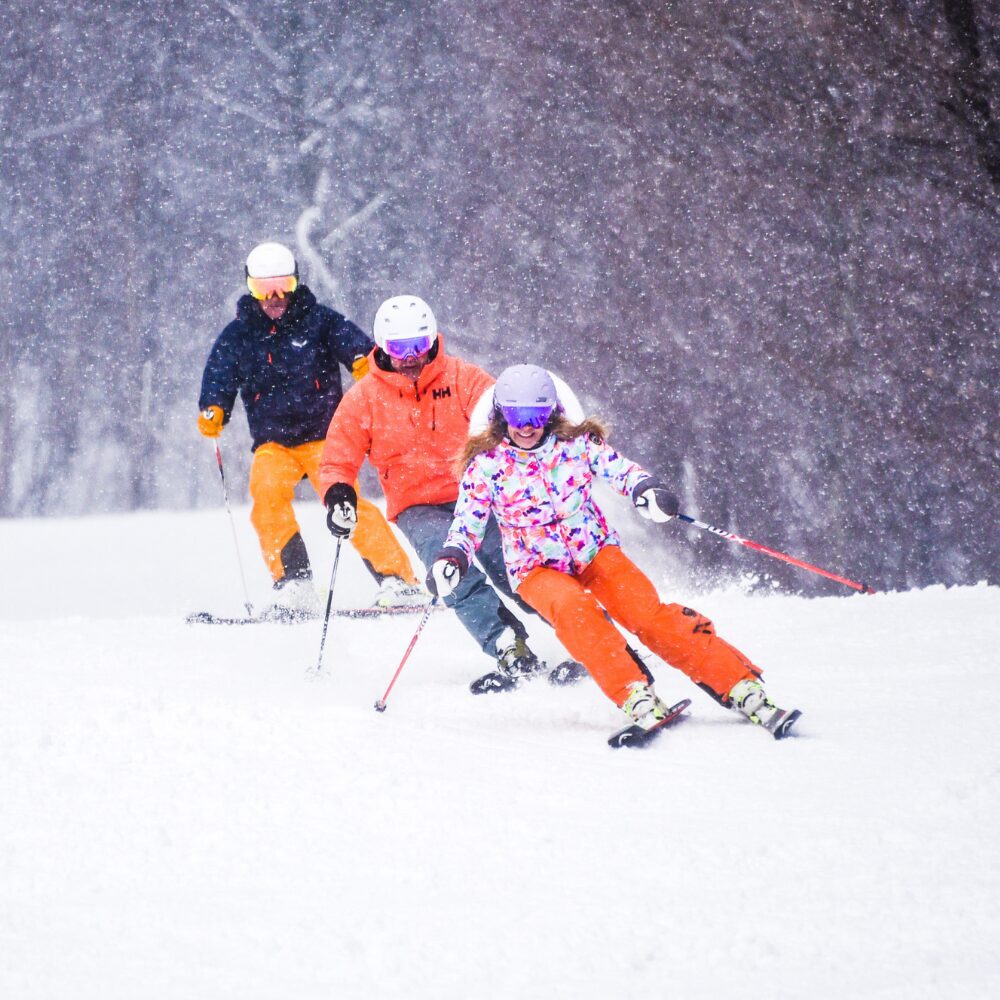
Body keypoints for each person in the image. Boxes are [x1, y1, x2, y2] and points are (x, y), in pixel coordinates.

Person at [428, 363, 800, 739]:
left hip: (593, 550)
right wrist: (453, 557)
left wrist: (646, 490)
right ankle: (634, 694)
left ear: (552, 412)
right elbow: (467, 523)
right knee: (577, 612)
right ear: (499, 415)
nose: (526, 425)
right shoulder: (486, 466)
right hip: (535, 567)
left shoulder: (577, 446)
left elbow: (622, 471)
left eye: (536, 414)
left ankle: (739, 685)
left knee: (648, 615)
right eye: (516, 415)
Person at [318, 295, 548, 681]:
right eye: (398, 348)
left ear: (432, 340)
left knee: (516, 567)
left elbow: (504, 417)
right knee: (451, 572)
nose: (410, 357)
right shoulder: (364, 399)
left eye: (418, 346)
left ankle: (582, 627)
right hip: (417, 506)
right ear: (381, 346)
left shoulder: (462, 379)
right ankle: (507, 643)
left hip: (477, 497)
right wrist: (339, 495)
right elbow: (338, 458)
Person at [198, 242, 422, 616]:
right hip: (273, 443)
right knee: (266, 495)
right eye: (263, 289)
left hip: (325, 438)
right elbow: (218, 376)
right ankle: (294, 583)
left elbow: (358, 350)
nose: (275, 297)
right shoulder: (239, 335)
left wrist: (366, 365)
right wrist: (214, 408)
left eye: (283, 285)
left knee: (346, 503)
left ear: (297, 283)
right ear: (250, 288)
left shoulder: (319, 320)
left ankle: (399, 579)